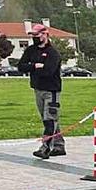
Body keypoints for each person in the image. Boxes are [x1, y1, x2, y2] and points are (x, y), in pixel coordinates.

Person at [16, 23, 64, 160]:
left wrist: (34, 68)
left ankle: (45, 148)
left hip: (52, 90)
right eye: (32, 36)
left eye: (36, 35)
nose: (34, 38)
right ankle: (59, 145)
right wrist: (35, 66)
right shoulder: (31, 50)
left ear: (45, 35)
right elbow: (21, 66)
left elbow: (49, 71)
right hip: (37, 89)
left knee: (50, 119)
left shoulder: (53, 53)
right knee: (47, 118)